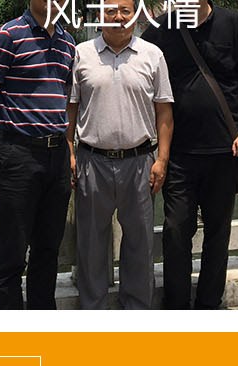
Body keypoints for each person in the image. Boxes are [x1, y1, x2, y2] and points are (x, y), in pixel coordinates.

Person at [143, 0, 238, 309]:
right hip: (178, 153)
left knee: (218, 232)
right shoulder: (161, 29)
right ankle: (177, 306)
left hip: (225, 150)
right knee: (175, 231)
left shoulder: (232, 24)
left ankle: (209, 304)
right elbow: (138, 69)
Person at [67, 0, 173, 309]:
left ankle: (137, 309)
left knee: (140, 243)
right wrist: (68, 151)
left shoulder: (152, 55)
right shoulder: (81, 54)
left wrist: (162, 159)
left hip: (140, 162)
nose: (118, 17)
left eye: (125, 10)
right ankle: (94, 309)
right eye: (110, 10)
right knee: (91, 243)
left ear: (136, 15)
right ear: (99, 16)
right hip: (92, 161)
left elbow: (164, 112)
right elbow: (70, 110)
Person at [0, 0, 77, 310]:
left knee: (48, 249)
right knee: (12, 250)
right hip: (18, 155)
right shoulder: (9, 36)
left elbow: (63, 96)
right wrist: (18, 122)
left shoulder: (68, 43)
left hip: (57, 156)